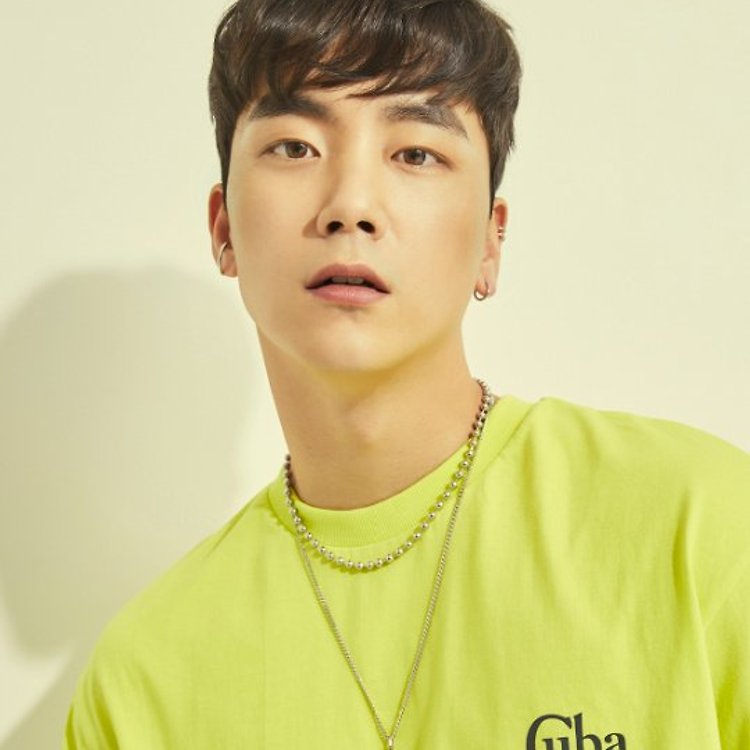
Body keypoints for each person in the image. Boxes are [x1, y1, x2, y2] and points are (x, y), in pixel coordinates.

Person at [63, 0, 750, 747]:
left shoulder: (698, 523)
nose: (351, 206)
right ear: (223, 227)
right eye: (295, 146)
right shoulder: (144, 679)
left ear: (490, 243)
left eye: (416, 154)